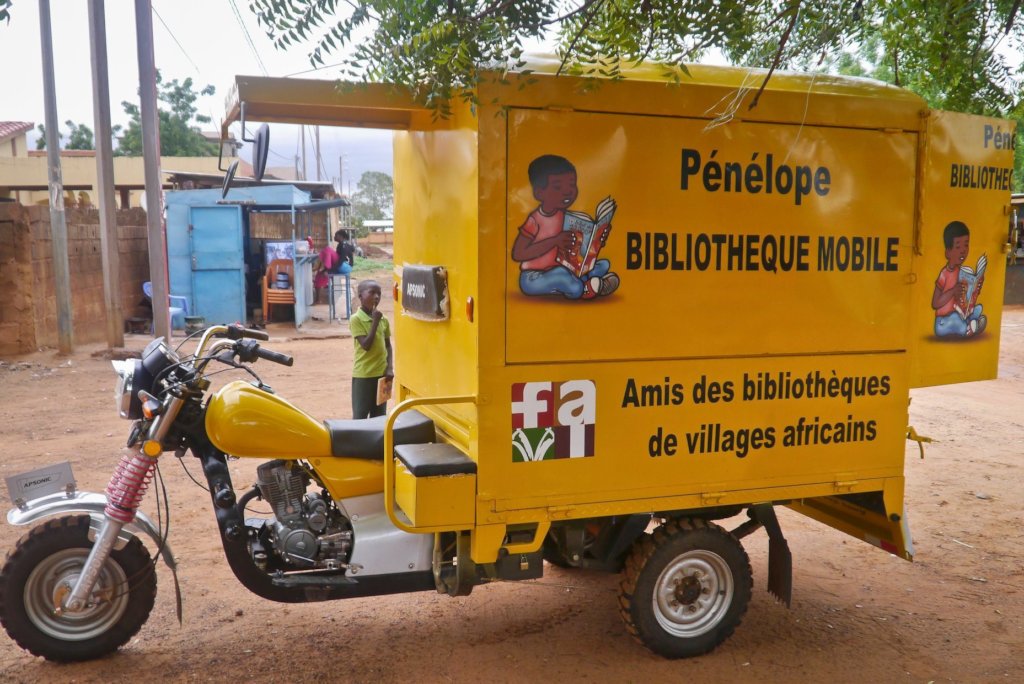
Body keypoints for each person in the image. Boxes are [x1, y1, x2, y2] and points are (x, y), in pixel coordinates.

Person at [511, 154, 619, 299]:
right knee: (565, 278)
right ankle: (587, 288)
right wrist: (555, 241)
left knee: (603, 264)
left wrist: (597, 239)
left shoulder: (568, 218)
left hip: (564, 268)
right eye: (558, 187)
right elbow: (518, 253)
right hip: (533, 277)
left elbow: (581, 250)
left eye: (572, 185)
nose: (568, 191)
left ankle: (588, 282)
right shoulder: (535, 220)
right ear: (539, 193)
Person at [931, 220, 986, 337]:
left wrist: (975, 288)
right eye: (958, 246)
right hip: (943, 321)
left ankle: (970, 323)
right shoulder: (945, 273)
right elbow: (935, 303)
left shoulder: (963, 272)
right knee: (955, 319)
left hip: (960, 313)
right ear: (948, 252)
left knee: (977, 308)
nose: (963, 250)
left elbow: (966, 299)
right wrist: (952, 292)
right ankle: (969, 327)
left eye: (966, 245)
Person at [350, 279, 394, 418]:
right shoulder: (356, 319)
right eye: (372, 293)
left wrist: (389, 368)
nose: (376, 297)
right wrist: (374, 322)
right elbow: (366, 345)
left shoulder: (384, 320)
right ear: (360, 296)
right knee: (360, 415)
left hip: (382, 375)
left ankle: (379, 441)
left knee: (380, 415)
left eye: (379, 294)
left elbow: (388, 345)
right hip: (364, 375)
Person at [313, 239, 339, 305]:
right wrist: (318, 270)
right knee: (318, 277)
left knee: (320, 279)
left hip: (334, 268)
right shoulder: (325, 251)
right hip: (332, 267)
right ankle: (317, 299)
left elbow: (328, 266)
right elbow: (321, 265)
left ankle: (319, 300)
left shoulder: (326, 252)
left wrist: (321, 271)